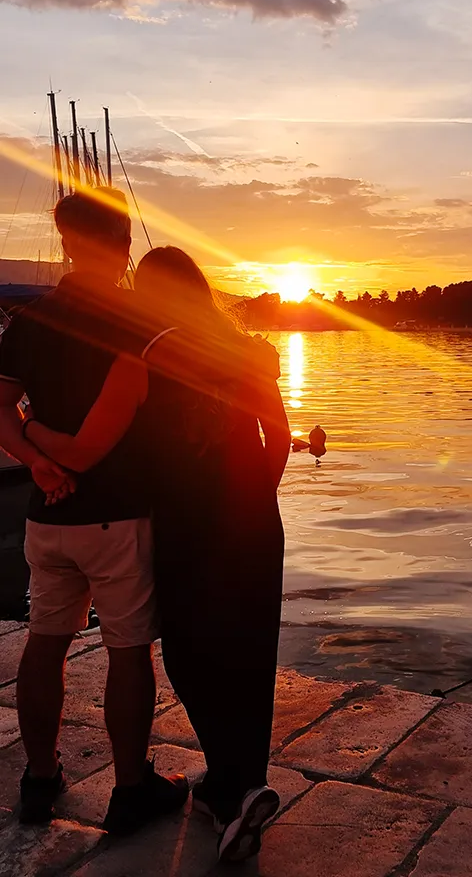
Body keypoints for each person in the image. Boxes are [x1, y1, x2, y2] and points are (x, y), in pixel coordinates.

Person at [26, 245, 291, 864]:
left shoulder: (145, 357)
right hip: (254, 518)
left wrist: (36, 439)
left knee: (190, 652)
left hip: (184, 522)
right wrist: (256, 495)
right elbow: (277, 435)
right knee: (251, 650)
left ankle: (230, 787)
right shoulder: (252, 352)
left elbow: (113, 447)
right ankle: (238, 782)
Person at [0, 191, 189, 833]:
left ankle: (39, 778)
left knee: (44, 644)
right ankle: (130, 787)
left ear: (66, 245)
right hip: (118, 515)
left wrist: (35, 461)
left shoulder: (30, 321)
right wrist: (58, 457)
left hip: (46, 519)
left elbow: (2, 408)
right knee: (128, 652)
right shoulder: (138, 322)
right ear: (124, 245)